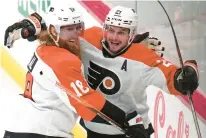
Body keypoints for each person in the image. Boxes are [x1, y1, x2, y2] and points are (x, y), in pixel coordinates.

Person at [4, 5, 199, 138]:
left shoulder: (71, 41)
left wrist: (188, 73)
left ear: (132, 35)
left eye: (122, 32)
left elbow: (174, 78)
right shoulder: (79, 45)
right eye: (111, 30)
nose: (114, 37)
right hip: (58, 130)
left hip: (129, 132)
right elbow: (88, 104)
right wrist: (128, 123)